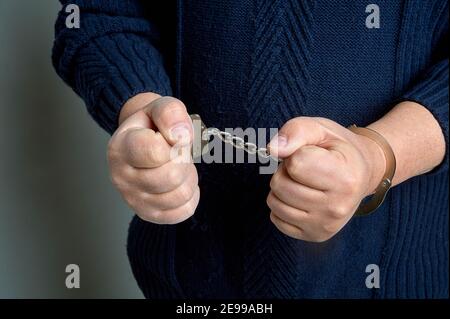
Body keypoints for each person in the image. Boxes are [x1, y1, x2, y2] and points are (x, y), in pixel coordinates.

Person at [53, 0, 448, 298]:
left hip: (403, 279)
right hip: (185, 285)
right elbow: (99, 12)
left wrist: (378, 155)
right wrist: (139, 110)